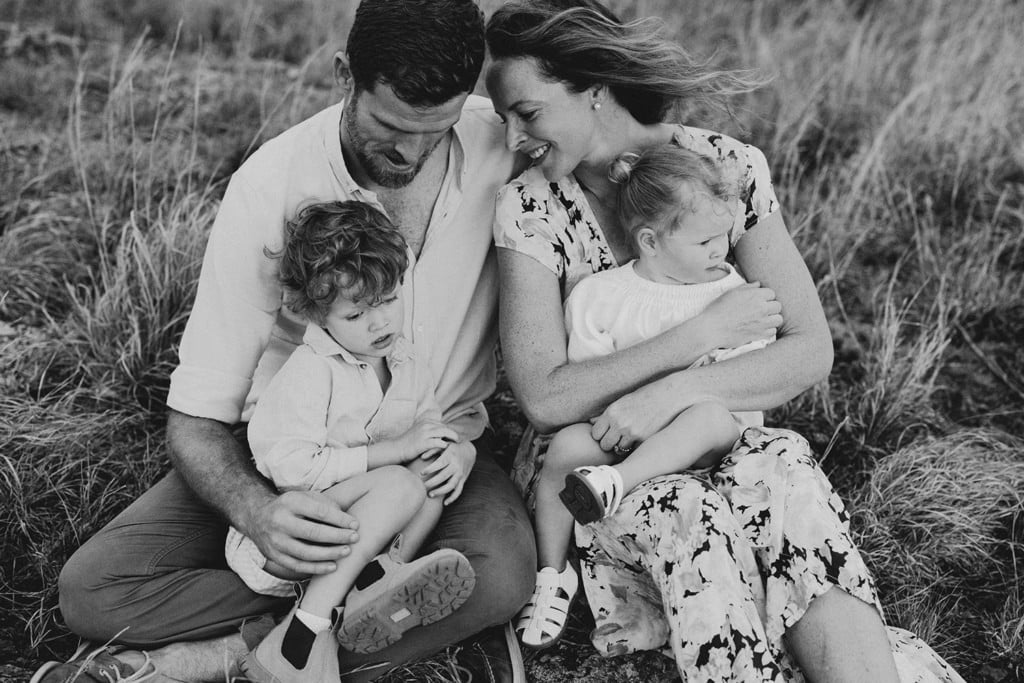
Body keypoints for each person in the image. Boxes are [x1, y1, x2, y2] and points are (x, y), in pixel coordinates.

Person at [36, 2, 535, 682]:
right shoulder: (268, 186)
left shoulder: (501, 144)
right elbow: (199, 414)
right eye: (390, 127)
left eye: (437, 131)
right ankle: (346, 618)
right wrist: (258, 510)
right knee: (93, 589)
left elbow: (631, 141)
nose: (411, 155)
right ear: (343, 76)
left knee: (503, 572)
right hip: (292, 455)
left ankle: (223, 655)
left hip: (432, 449)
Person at [485, 1, 965, 681]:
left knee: (787, 468)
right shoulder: (530, 208)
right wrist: (697, 337)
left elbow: (807, 348)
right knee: (692, 510)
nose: (510, 138)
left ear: (592, 87)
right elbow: (542, 395)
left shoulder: (723, 167)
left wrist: (678, 391)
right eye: (503, 117)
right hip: (598, 470)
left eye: (526, 113)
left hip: (723, 436)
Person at [515, 145, 776, 650]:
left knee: (706, 414)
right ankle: (552, 575)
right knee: (566, 450)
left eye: (724, 234)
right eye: (705, 239)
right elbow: (587, 387)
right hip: (623, 437)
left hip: (708, 444)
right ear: (651, 241)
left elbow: (745, 376)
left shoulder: (731, 293)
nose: (722, 248)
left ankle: (616, 484)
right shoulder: (603, 296)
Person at [224, 200, 477, 681]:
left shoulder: (405, 361)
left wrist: (453, 453)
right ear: (318, 317)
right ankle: (299, 639)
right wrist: (391, 453)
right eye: (358, 314)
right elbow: (290, 469)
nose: (380, 323)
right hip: (288, 538)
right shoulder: (311, 371)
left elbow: (427, 430)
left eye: (387, 301)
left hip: (356, 537)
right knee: (401, 484)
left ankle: (373, 587)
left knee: (429, 475)